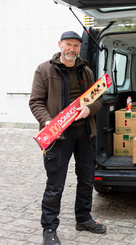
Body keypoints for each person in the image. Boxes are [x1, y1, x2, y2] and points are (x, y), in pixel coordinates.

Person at [29, 31, 106, 245]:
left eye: (76, 45)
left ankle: (83, 219)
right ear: (60, 45)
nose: (72, 49)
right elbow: (35, 102)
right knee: (56, 184)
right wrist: (47, 121)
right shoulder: (44, 70)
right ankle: (49, 228)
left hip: (84, 132)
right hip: (58, 135)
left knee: (86, 179)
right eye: (68, 44)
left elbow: (97, 100)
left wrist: (89, 110)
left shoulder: (86, 71)